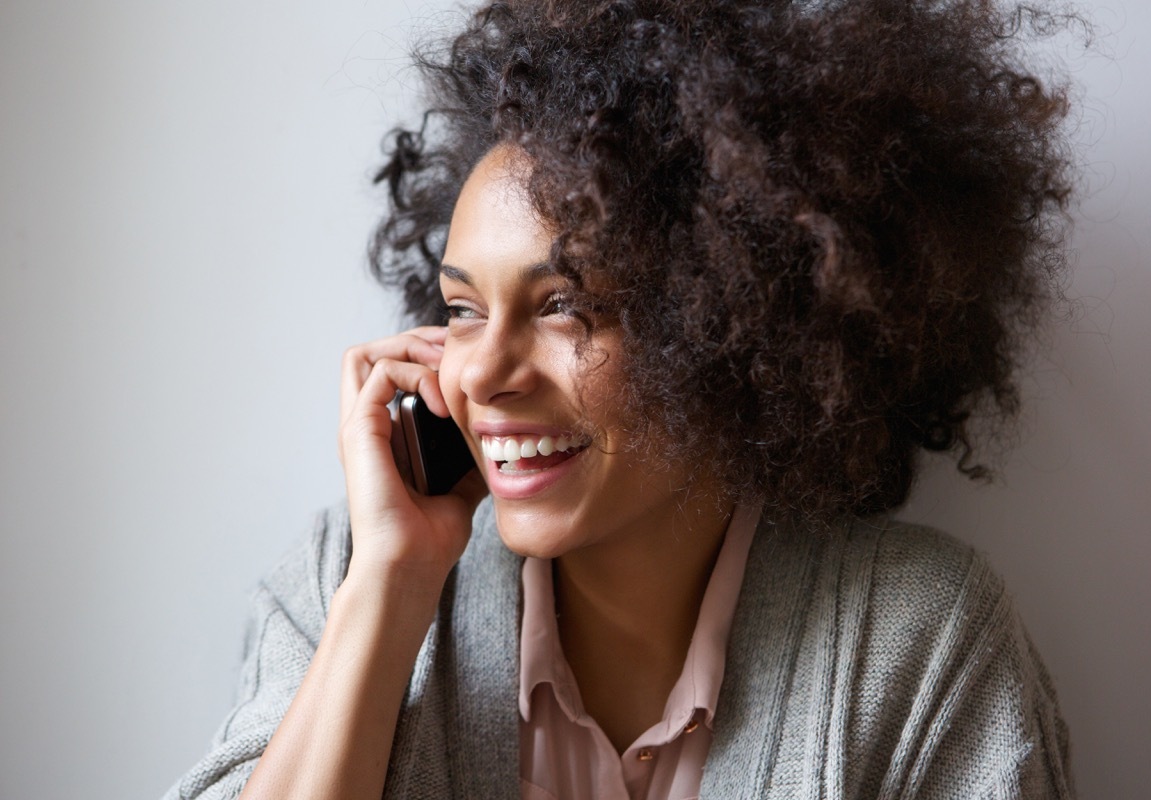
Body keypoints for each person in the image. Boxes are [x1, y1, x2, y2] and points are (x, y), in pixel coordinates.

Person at [164, 0, 1080, 797]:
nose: (479, 375)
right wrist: (389, 593)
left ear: (727, 323)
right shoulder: (343, 576)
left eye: (566, 306)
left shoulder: (921, 644)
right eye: (462, 310)